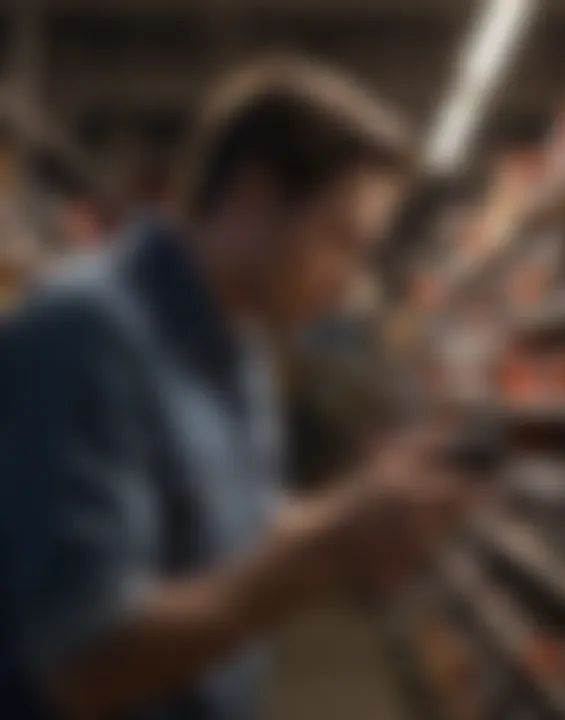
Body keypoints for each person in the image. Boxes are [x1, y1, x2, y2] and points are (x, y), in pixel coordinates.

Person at [0, 57, 469, 719]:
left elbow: (230, 524)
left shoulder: (243, 345)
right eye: (342, 240)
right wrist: (328, 543)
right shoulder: (83, 334)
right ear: (252, 196)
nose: (352, 284)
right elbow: (83, 660)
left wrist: (363, 507)